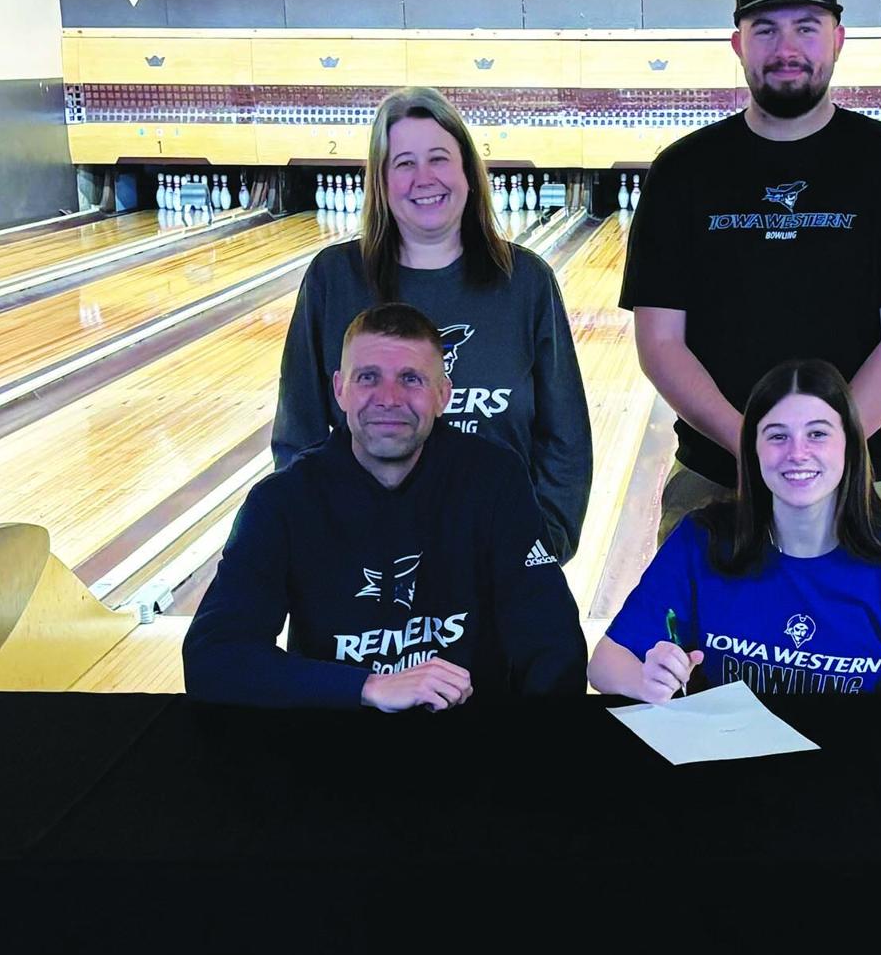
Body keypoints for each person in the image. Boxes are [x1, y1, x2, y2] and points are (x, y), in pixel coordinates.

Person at [620, 0, 881, 542]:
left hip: (861, 475)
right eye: (765, 29)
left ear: (838, 37)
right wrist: (753, 451)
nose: (787, 49)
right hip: (713, 474)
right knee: (691, 638)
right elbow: (660, 343)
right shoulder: (680, 172)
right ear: (737, 43)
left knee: (852, 641)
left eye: (807, 26)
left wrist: (823, 455)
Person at [185, 303, 587, 711]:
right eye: (368, 378)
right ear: (340, 389)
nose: (389, 398)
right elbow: (212, 657)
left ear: (442, 395)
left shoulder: (494, 480)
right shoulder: (283, 501)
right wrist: (367, 686)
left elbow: (552, 642)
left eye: (411, 379)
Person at [273, 86, 591, 563]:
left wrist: (542, 547)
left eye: (439, 159)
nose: (424, 178)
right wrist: (327, 549)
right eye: (403, 163)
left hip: (499, 559)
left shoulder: (525, 282)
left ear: (468, 171)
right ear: (380, 181)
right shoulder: (333, 279)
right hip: (363, 560)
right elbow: (299, 434)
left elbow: (565, 437)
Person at [587, 359, 881, 702]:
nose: (797, 453)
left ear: (850, 447)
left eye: (817, 434)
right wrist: (645, 681)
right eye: (777, 436)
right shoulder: (702, 541)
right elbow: (605, 663)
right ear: (753, 450)